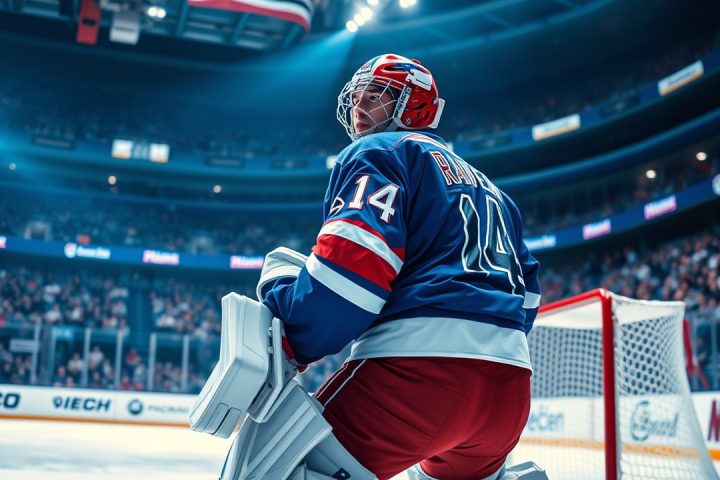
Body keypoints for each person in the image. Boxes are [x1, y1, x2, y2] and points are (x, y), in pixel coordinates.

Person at [258, 53, 541, 480]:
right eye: (357, 96)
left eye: (376, 95)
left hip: (416, 375)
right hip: (508, 390)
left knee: (273, 464)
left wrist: (291, 332)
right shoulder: (496, 193)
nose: (360, 106)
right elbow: (528, 298)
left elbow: (351, 274)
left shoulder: (380, 151)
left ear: (414, 106)